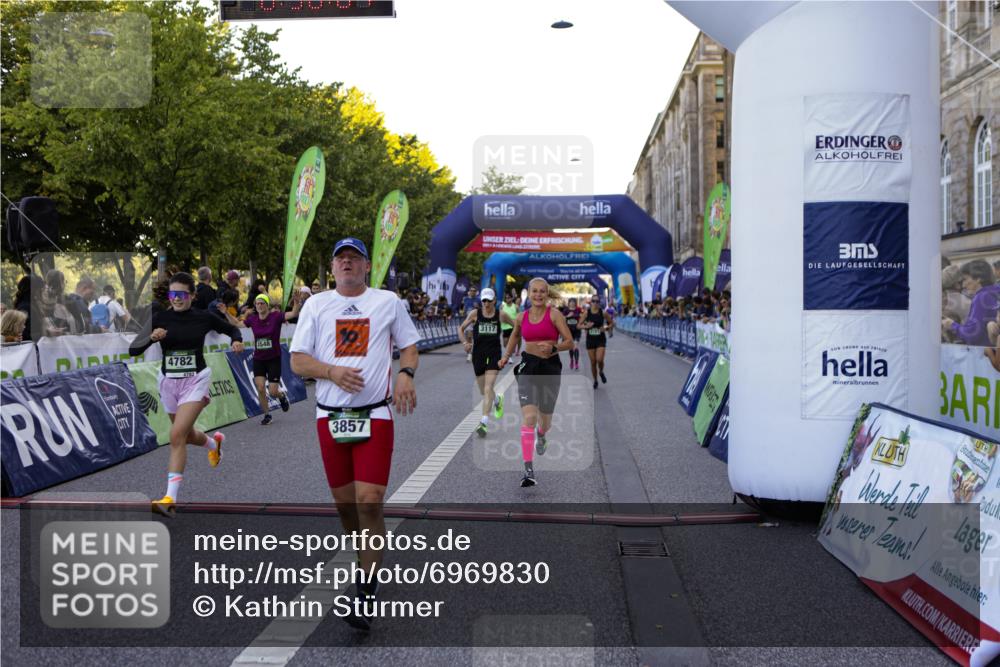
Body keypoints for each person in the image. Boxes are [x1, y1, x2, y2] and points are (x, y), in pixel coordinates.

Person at [289, 237, 420, 632]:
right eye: (340, 258)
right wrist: (330, 371)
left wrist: (404, 374)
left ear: (366, 267)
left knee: (370, 500)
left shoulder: (387, 302)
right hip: (330, 415)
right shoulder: (315, 305)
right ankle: (364, 551)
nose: (347, 263)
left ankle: (365, 588)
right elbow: (297, 361)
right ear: (332, 269)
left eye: (354, 258)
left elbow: (410, 346)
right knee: (346, 506)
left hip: (375, 413)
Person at [128, 272, 245, 516]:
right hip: (169, 382)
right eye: (173, 295)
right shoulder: (160, 317)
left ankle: (170, 498)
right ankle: (214, 444)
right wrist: (151, 338)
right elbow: (133, 350)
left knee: (176, 435)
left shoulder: (203, 317)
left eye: (182, 294)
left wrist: (236, 341)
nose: (177, 299)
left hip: (196, 380)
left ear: (192, 295)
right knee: (186, 434)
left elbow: (231, 330)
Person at [498, 278, 574, 487]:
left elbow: (570, 341)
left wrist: (554, 348)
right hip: (528, 367)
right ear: (529, 294)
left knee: (545, 422)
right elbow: (514, 336)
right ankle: (528, 469)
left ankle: (542, 435)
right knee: (529, 418)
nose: (538, 295)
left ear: (547, 294)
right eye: (535, 291)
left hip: (550, 367)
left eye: (542, 292)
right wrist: (505, 356)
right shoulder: (522, 317)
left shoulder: (555, 315)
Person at [457, 287, 515, 436]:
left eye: (489, 300)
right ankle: (497, 400)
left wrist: (510, 347)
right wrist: (465, 343)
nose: (486, 303)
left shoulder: (500, 315)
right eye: (484, 300)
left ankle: (483, 422)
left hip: (494, 354)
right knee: (484, 390)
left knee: (489, 387)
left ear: (494, 300)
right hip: (478, 354)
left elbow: (517, 326)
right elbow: (461, 328)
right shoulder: (475, 314)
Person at [242, 292, 301, 425]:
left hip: (273, 358)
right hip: (258, 359)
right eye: (257, 303)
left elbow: (292, 314)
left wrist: (296, 304)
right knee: (261, 388)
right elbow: (237, 324)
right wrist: (225, 314)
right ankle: (267, 415)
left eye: (262, 303)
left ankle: (281, 396)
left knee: (273, 391)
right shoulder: (252, 319)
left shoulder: (276, 317)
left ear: (267, 305)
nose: (259, 305)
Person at [943, 260, 1000, 346]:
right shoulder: (995, 293)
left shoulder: (981, 297)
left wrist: (952, 325)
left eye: (965, 279)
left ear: (978, 279)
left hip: (984, 354)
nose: (963, 285)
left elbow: (972, 333)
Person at [583, 299, 613, 389]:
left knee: (599, 359)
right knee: (593, 362)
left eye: (597, 301)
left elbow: (611, 323)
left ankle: (601, 371)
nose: (595, 303)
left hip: (600, 339)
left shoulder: (603, 313)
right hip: (590, 340)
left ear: (599, 303)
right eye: (593, 301)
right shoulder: (586, 313)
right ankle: (595, 380)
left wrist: (606, 327)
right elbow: (578, 325)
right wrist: (586, 326)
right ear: (590, 303)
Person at [561, 297, 582, 371]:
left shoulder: (578, 309)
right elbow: (561, 319)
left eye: (573, 302)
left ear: (575, 303)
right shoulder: (566, 310)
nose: (572, 303)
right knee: (571, 347)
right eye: (571, 302)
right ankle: (571, 360)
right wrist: (567, 316)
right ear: (569, 303)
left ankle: (576, 363)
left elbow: (582, 317)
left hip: (576, 331)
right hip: (568, 331)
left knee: (575, 347)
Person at [501, 291, 520, 356]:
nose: (507, 299)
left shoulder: (516, 307)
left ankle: (509, 356)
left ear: (512, 298)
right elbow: (500, 316)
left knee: (511, 342)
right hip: (505, 327)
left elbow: (519, 316)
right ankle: (510, 352)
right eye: (506, 298)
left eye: (508, 298)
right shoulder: (502, 306)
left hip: (513, 327)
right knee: (504, 343)